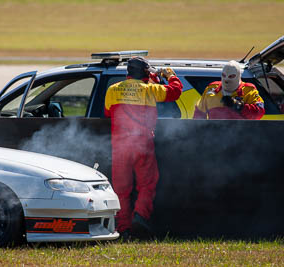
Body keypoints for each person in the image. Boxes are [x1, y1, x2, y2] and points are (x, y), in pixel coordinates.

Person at [104, 57, 183, 239]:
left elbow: (108, 112)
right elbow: (175, 92)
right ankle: (140, 216)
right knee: (147, 184)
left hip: (120, 146)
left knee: (121, 189)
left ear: (128, 73)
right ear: (146, 73)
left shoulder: (113, 90)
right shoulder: (150, 89)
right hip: (143, 145)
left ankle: (123, 229)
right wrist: (171, 75)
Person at [193, 60, 265, 119]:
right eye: (224, 75)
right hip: (215, 133)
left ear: (238, 76)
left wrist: (238, 106)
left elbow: (259, 113)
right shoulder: (211, 89)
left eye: (231, 76)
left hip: (241, 133)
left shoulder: (248, 90)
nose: (226, 79)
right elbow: (198, 115)